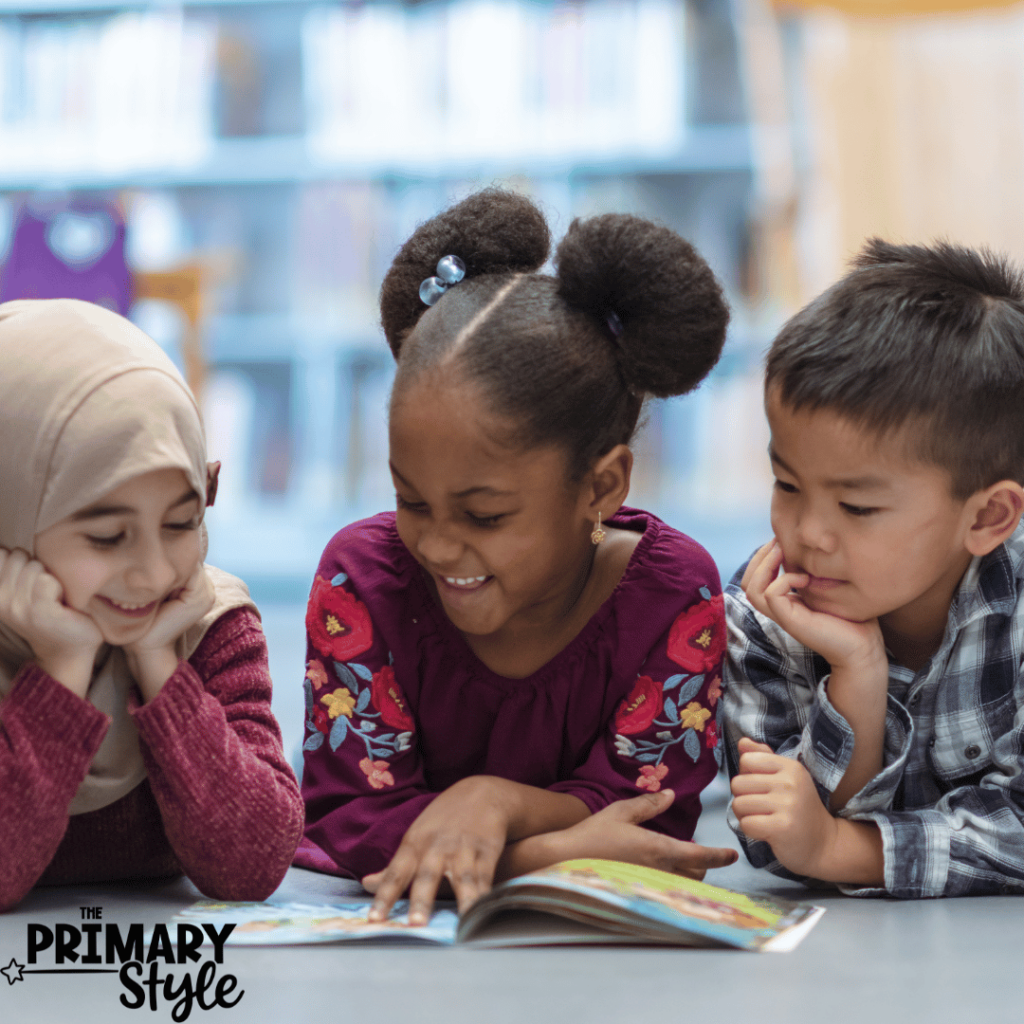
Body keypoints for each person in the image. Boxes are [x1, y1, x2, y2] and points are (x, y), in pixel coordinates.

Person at [295, 188, 738, 924]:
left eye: (485, 515)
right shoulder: (362, 579)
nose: (436, 544)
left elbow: (645, 820)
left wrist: (490, 801)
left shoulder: (675, 596)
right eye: (411, 500)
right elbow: (349, 820)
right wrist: (539, 855)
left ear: (601, 486)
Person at [722, 239, 1024, 898]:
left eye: (856, 507)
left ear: (987, 518)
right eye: (786, 484)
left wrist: (843, 850)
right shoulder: (762, 610)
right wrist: (857, 674)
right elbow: (772, 838)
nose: (807, 534)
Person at [0, 298, 304, 910]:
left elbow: (254, 866)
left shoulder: (207, 622)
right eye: (107, 537)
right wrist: (63, 671)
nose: (155, 573)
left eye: (181, 523)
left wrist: (158, 661)